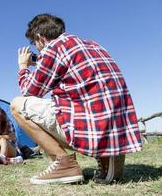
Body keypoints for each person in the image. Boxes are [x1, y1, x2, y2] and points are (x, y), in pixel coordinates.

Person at [10, 13, 142, 185]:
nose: (37, 49)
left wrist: (23, 67)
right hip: (115, 128)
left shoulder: (53, 48)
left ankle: (64, 164)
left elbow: (29, 91)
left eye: (35, 44)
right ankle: (107, 154)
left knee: (17, 105)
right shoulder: (94, 45)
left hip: (91, 127)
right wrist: (41, 62)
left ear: (40, 37)